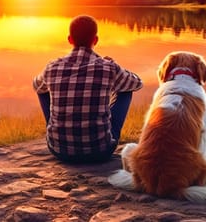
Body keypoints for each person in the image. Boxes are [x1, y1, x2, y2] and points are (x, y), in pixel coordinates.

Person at [33, 15, 143, 163]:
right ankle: (102, 129)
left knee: (42, 88)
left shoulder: (52, 67)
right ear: (95, 40)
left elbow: (36, 85)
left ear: (70, 40)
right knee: (126, 89)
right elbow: (137, 83)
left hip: (60, 151)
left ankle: (55, 130)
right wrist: (115, 66)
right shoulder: (108, 67)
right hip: (100, 151)